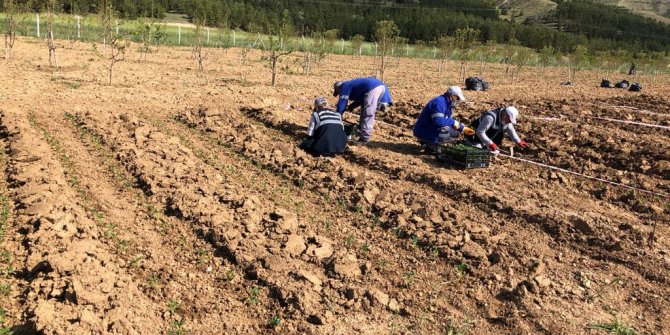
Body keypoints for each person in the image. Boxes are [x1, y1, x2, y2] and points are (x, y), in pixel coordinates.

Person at [412, 86, 473, 153]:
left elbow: (448, 120)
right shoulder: (439, 103)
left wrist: (463, 128)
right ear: (452, 96)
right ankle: (431, 144)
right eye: (457, 98)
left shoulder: (448, 105)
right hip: (423, 130)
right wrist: (453, 122)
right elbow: (438, 121)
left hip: (431, 128)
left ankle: (435, 142)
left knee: (454, 133)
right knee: (444, 129)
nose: (458, 100)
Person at [333, 77, 391, 144]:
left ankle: (364, 138)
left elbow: (342, 103)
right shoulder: (352, 85)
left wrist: (338, 116)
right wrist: (352, 106)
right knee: (364, 108)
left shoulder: (344, 86)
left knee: (368, 112)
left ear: (338, 88)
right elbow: (360, 100)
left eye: (338, 93)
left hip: (373, 88)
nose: (339, 94)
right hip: (379, 87)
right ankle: (362, 131)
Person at [465, 106, 529, 154]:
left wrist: (518, 141)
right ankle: (466, 143)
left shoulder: (506, 121)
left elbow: (510, 130)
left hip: (484, 141)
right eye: (509, 120)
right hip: (473, 138)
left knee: (494, 153)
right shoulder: (490, 118)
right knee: (477, 153)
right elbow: (479, 132)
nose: (509, 122)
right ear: (505, 115)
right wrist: (490, 143)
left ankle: (484, 146)